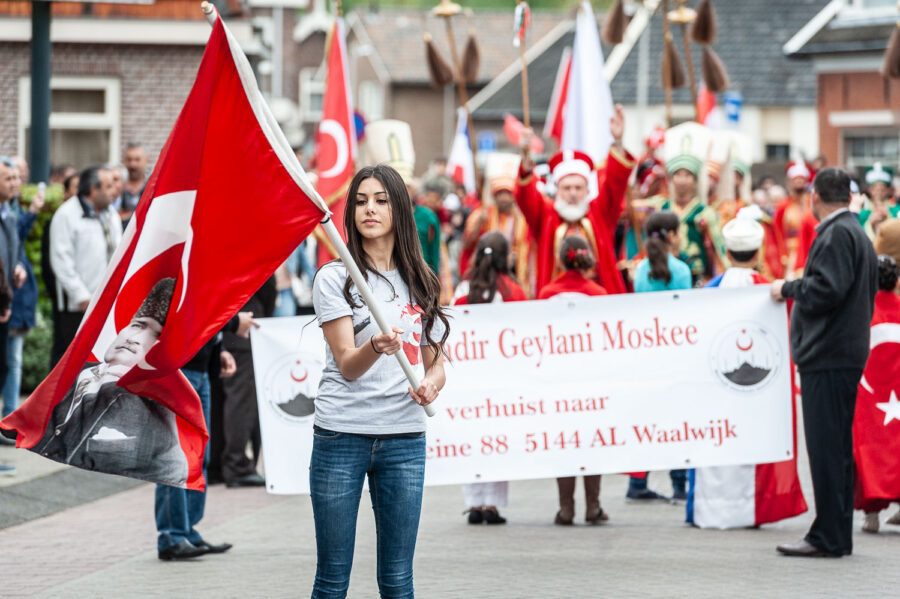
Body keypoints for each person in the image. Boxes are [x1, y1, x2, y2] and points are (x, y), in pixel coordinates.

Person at [310, 164, 449, 598]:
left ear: (399, 209)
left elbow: (437, 364)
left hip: (404, 439)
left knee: (397, 580)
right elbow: (348, 366)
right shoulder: (335, 278)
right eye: (360, 201)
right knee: (333, 580)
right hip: (341, 436)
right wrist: (377, 346)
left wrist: (432, 384)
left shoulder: (423, 281)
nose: (369, 209)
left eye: (381, 200)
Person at [772, 167, 879, 557]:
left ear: (815, 197)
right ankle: (834, 532)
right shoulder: (854, 231)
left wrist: (788, 287)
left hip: (828, 355)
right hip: (843, 353)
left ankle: (828, 536)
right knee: (834, 447)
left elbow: (825, 290)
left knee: (826, 448)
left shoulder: (835, 234)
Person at [687, 211, 808, 528]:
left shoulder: (706, 294)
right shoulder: (774, 291)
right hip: (759, 385)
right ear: (758, 252)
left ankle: (710, 510)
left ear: (726, 252)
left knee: (718, 440)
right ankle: (757, 507)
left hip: (717, 383)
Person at [30, 279, 189, 485]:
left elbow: (171, 467)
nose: (135, 338)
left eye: (156, 335)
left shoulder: (152, 411)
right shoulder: (77, 373)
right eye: (138, 325)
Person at [155, 309, 257, 560]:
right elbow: (189, 308)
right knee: (177, 456)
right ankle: (172, 535)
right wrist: (233, 322)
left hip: (198, 365)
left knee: (197, 456)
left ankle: (186, 531)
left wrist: (217, 347)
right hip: (179, 366)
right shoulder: (182, 269)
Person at [516, 105, 635, 296]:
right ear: (557, 190)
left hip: (597, 296)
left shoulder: (600, 211)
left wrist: (618, 141)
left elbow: (615, 184)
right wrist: (525, 156)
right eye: (566, 188)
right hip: (555, 299)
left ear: (588, 190)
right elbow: (525, 197)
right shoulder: (545, 215)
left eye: (578, 188)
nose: (573, 193)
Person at [453, 231, 526, 525]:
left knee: (471, 439)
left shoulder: (462, 289)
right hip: (502, 381)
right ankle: (493, 505)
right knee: (496, 439)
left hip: (469, 380)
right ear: (505, 257)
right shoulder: (512, 291)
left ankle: (474, 503)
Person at [538, 236, 609, 524]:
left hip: (559, 380)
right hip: (592, 379)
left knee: (564, 440)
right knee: (592, 440)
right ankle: (593, 505)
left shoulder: (547, 293)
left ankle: (566, 508)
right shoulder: (599, 294)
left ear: (560, 258)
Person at [625, 210, 692, 502]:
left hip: (645, 353)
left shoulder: (639, 270)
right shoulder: (682, 270)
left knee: (644, 417)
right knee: (678, 419)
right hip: (674, 354)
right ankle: (679, 484)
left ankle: (637, 482)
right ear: (673, 235)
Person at [48, 165, 123, 367]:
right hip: (77, 307)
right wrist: (81, 296)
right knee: (72, 366)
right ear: (93, 189)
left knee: (99, 364)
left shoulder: (111, 215)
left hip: (105, 305)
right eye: (108, 186)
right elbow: (61, 260)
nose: (113, 191)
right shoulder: (66, 215)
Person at [853, 253, 900, 534]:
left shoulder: (863, 313)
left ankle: (870, 513)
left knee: (870, 449)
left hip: (870, 396)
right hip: (896, 395)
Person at [647, 122, 727, 285]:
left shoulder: (706, 212)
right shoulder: (659, 207)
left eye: (687, 175)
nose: (682, 180)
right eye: (678, 174)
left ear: (695, 180)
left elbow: (721, 249)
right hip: (663, 273)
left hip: (696, 276)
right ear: (671, 178)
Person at [220, 276, 276, 487]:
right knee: (242, 401)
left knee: (226, 399)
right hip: (244, 324)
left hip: (221, 326)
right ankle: (237, 465)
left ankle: (220, 465)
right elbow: (267, 285)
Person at [460, 174, 532, 294]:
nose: (503, 198)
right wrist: (478, 225)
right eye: (500, 194)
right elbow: (466, 244)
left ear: (513, 196)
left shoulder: (523, 219)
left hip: (513, 273)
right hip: (485, 272)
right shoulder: (481, 214)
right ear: (494, 196)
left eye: (507, 193)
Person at [0, 157, 26, 421]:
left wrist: (18, 267)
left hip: (4, 304)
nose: (15, 183)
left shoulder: (8, 213)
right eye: (8, 178)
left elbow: (13, 252)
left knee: (5, 366)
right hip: (1, 304)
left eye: (16, 178)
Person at [119, 143, 149, 224]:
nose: (133, 165)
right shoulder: (116, 187)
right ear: (123, 161)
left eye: (137, 159)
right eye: (129, 159)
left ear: (147, 160)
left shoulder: (153, 187)